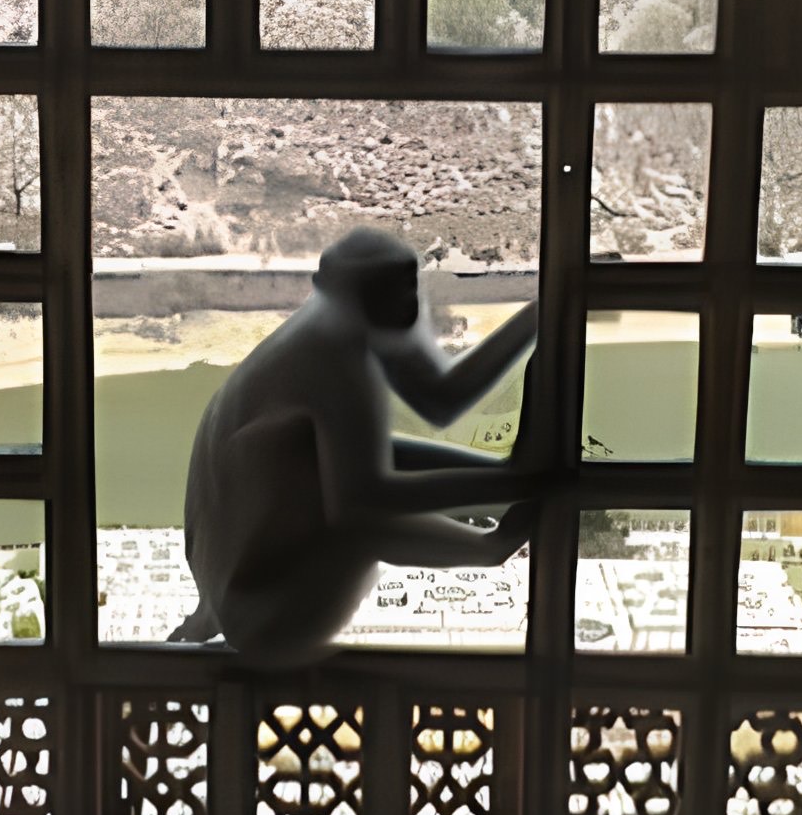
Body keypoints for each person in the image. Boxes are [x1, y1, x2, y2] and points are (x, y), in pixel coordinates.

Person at [170, 227, 542, 665]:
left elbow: (441, 398)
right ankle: (487, 545)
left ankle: (501, 490)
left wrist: (540, 314)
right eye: (388, 290)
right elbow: (364, 506)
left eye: (409, 285)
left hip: (244, 583)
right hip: (263, 609)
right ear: (345, 293)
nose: (407, 303)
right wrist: (506, 510)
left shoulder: (351, 325)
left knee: (367, 460)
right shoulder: (331, 354)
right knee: (361, 514)